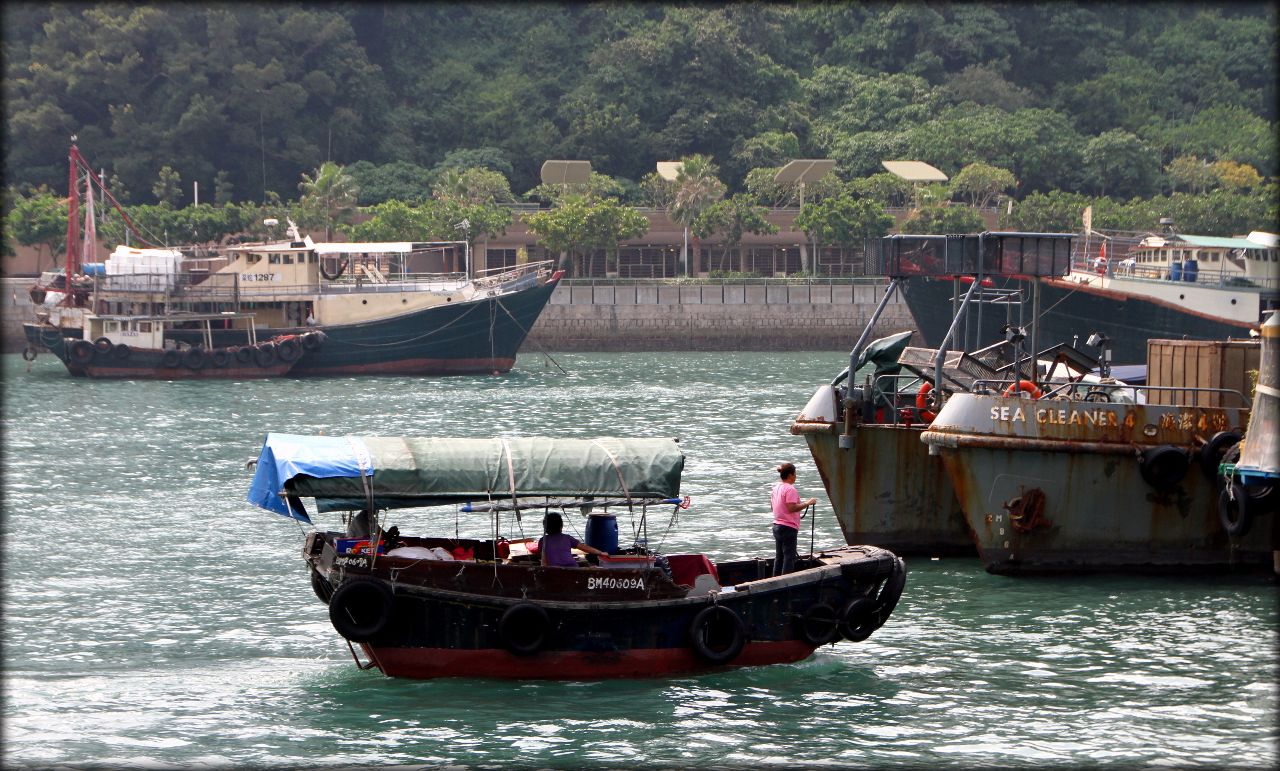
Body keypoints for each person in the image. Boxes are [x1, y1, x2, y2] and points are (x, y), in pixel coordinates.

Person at [771, 462, 817, 576]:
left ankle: (774, 580)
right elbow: (792, 508)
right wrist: (807, 503)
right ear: (790, 475)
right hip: (788, 527)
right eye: (795, 474)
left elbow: (772, 506)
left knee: (779, 557)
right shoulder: (790, 489)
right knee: (789, 557)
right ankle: (785, 582)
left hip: (777, 525)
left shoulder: (776, 488)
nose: (796, 476)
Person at [538, 511, 606, 567]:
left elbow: (544, 560)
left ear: (545, 528)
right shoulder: (567, 538)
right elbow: (585, 548)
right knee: (590, 564)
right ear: (561, 526)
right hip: (572, 566)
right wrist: (601, 553)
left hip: (555, 569)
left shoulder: (542, 541)